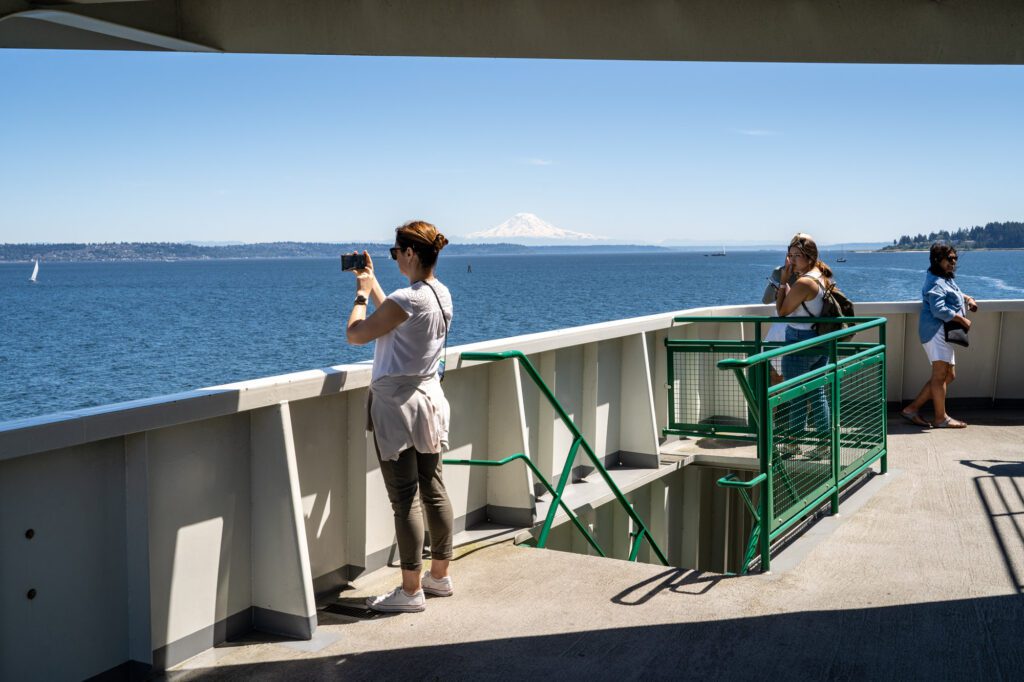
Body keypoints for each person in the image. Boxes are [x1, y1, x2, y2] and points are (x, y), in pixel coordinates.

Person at [345, 220, 455, 612]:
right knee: (434, 488)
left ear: (410, 253)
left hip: (397, 405)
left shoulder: (407, 299)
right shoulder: (439, 294)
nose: (395, 259)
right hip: (428, 399)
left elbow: (357, 334)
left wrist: (360, 295)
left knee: (405, 498)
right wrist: (373, 282)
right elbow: (394, 317)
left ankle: (410, 592)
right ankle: (438, 577)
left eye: (396, 253)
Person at [899, 243, 978, 429]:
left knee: (949, 375)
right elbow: (938, 310)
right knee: (940, 375)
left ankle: (912, 409)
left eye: (955, 259)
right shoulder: (934, 282)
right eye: (949, 259)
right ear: (937, 260)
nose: (953, 262)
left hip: (943, 333)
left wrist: (968, 299)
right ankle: (940, 418)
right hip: (936, 332)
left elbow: (955, 293)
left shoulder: (945, 278)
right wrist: (961, 319)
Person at [774, 233, 832, 445]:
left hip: (800, 340)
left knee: (796, 395)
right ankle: (825, 444)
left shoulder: (805, 283)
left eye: (796, 256)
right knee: (816, 393)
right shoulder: (821, 276)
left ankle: (794, 442)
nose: (791, 260)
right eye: (790, 255)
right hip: (818, 339)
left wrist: (782, 283)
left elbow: (781, 311)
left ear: (809, 257)